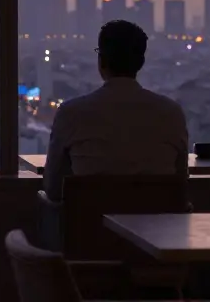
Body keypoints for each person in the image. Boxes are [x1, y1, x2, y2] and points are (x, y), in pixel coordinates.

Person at [42, 20, 189, 201]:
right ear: (141, 62)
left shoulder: (71, 114)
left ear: (101, 61)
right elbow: (180, 185)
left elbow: (53, 188)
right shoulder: (171, 114)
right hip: (155, 227)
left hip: (88, 227)